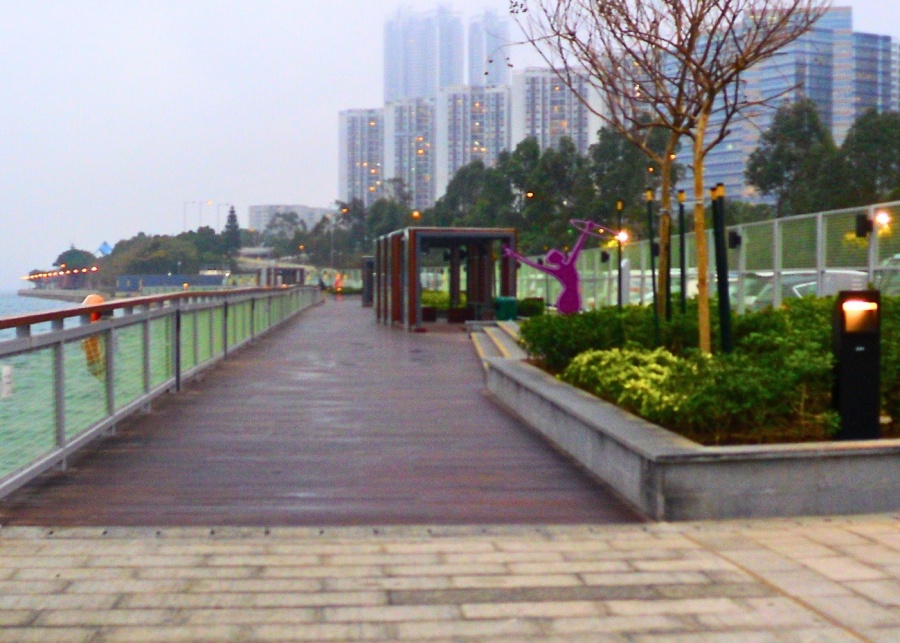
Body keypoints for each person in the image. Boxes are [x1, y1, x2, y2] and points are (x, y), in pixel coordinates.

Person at [502, 221, 597, 314]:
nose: (560, 253)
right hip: (572, 297)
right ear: (558, 257)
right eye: (558, 254)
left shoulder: (561, 269)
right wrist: (587, 229)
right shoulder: (568, 266)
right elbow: (578, 247)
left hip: (570, 297)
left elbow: (533, 264)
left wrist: (514, 255)